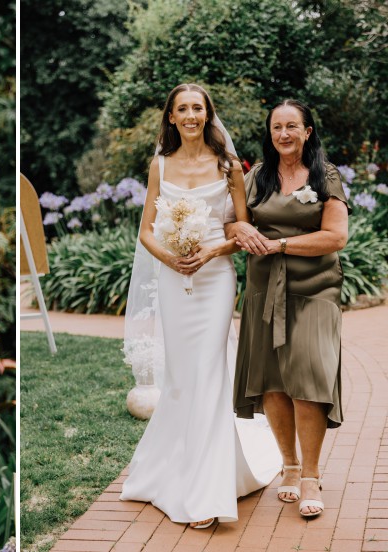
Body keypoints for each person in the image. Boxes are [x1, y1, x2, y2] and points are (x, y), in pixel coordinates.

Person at [119, 84, 279, 529]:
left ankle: (207, 492)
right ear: (171, 117)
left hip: (214, 278)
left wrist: (211, 252)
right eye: (182, 109)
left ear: (208, 115)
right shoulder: (160, 165)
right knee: (183, 377)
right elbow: (146, 229)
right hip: (175, 278)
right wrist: (170, 257)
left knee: (210, 372)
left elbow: (240, 225)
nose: (191, 115)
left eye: (198, 108)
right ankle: (172, 469)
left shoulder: (228, 165)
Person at [229, 99, 347, 518]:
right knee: (275, 379)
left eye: (292, 126)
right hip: (264, 289)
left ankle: (312, 475)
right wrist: (241, 227)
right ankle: (290, 467)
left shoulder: (325, 175)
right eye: (277, 127)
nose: (284, 134)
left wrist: (279, 244)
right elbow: (233, 221)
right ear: (270, 132)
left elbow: (335, 237)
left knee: (310, 377)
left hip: (314, 290)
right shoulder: (257, 175)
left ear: (307, 131)